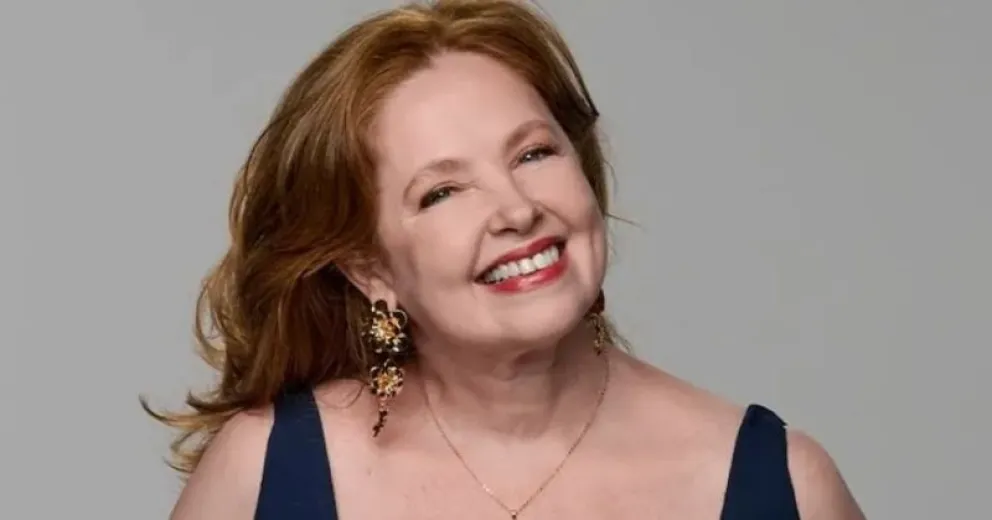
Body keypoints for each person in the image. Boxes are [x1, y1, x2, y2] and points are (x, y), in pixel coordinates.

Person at [143, 1, 866, 518]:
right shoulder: (263, 474)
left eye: (533, 154)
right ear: (371, 269)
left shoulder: (783, 484)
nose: (516, 209)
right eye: (442, 192)